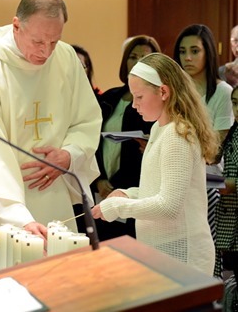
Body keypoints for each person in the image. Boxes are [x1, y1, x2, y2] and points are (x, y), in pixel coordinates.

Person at [0, 0, 102, 248]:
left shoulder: (66, 58)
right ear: (17, 26)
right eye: (38, 42)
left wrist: (69, 154)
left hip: (54, 198)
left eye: (54, 41)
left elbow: (87, 120)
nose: (46, 52)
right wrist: (19, 219)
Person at [92, 52, 219, 275]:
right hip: (163, 248)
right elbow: (160, 190)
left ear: (163, 92)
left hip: (184, 253)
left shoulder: (178, 134)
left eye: (139, 97)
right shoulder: (160, 128)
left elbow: (169, 206)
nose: (133, 105)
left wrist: (117, 207)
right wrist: (128, 194)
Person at [91, 35, 161, 241]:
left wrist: (118, 185)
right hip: (102, 181)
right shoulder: (110, 97)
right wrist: (98, 179)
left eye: (144, 58)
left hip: (133, 185)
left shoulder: (156, 102)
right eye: (133, 56)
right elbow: (93, 140)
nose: (138, 62)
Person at [173, 23, 234, 243]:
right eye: (182, 51)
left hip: (208, 181)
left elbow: (215, 147)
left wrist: (180, 142)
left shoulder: (222, 92)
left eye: (194, 51)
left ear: (208, 52)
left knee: (204, 249)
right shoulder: (174, 91)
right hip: (176, 178)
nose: (187, 57)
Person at [214, 85, 238, 284]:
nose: (237, 109)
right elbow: (213, 157)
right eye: (235, 103)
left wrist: (233, 184)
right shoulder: (233, 131)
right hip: (230, 219)